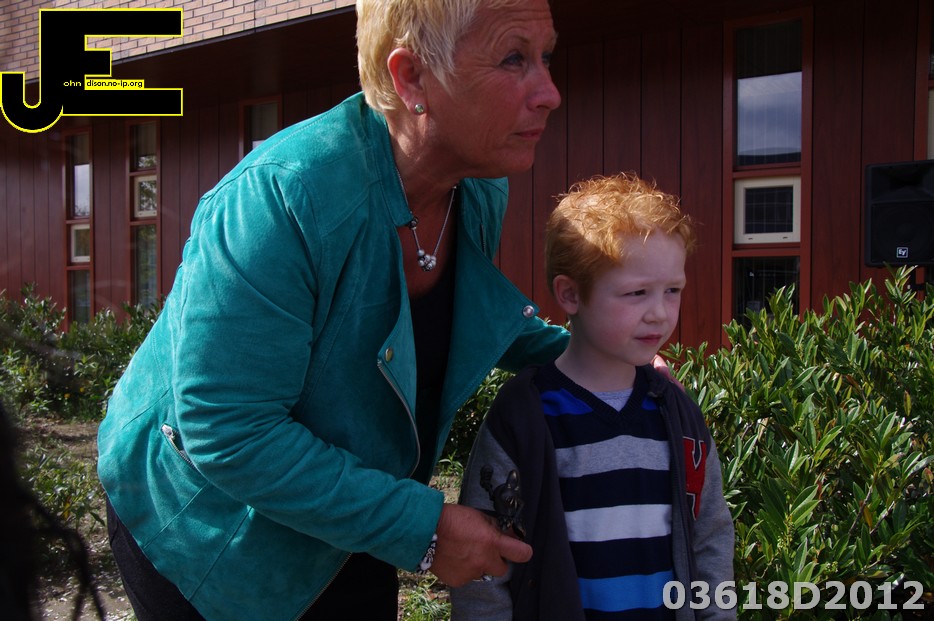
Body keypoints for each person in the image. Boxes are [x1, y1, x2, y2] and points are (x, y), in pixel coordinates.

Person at [96, 0, 570, 619]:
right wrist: (425, 530)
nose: (550, 93)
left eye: (545, 56)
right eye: (513, 59)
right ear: (412, 78)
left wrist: (586, 356)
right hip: (212, 533)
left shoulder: (477, 187)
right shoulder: (282, 196)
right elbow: (229, 429)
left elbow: (461, 311)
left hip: (354, 506)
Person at [450, 173, 736, 621]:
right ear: (570, 293)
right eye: (636, 292)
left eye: (672, 291)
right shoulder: (525, 418)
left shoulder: (676, 413)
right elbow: (484, 561)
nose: (659, 313)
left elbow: (710, 536)